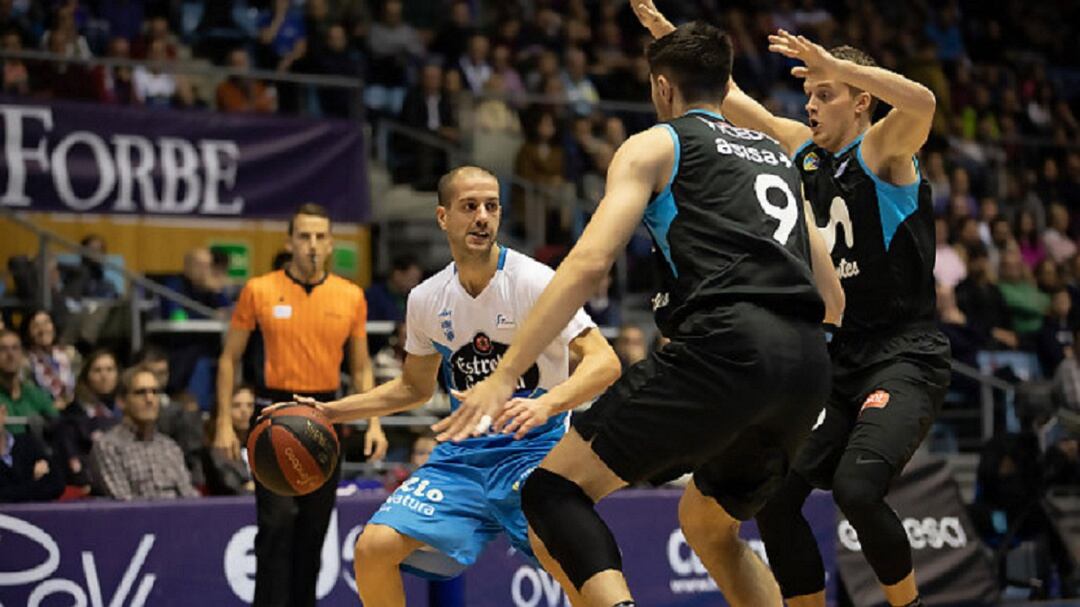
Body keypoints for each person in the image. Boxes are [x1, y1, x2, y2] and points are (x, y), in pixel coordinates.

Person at [444, 22, 843, 607]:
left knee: (552, 491)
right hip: (807, 366)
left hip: (724, 348)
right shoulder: (777, 157)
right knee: (709, 525)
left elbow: (588, 263)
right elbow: (833, 297)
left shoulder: (657, 143)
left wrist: (506, 374)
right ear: (726, 83)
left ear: (662, 88)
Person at [631, 4, 950, 606]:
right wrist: (667, 37)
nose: (810, 104)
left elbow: (924, 105)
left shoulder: (885, 151)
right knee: (775, 498)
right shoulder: (801, 149)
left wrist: (838, 63)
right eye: (810, 93)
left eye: (825, 93)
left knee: (858, 490)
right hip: (834, 361)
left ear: (860, 102)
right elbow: (724, 93)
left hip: (903, 355)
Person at [276, 166, 620, 606]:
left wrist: (546, 405)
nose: (482, 217)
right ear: (442, 218)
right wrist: (332, 412)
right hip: (464, 456)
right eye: (470, 206)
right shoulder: (425, 299)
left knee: (575, 572)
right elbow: (412, 389)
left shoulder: (534, 280)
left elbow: (604, 363)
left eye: (491, 207)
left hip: (537, 451)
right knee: (372, 548)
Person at [215, 202, 388, 607]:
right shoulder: (258, 289)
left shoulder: (350, 296)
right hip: (273, 417)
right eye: (304, 236)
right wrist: (224, 420)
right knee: (275, 525)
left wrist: (374, 422)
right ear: (290, 241)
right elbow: (228, 358)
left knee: (314, 531)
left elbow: (361, 369)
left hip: (325, 417)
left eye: (320, 237)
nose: (312, 244)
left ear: (331, 244)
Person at [89, 365, 199, 500]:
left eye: (155, 392)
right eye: (141, 392)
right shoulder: (108, 447)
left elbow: (190, 499)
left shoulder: (170, 447)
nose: (149, 399)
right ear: (121, 401)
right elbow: (123, 504)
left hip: (178, 518)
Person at [53, 349, 120, 491]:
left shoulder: (124, 411)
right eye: (97, 370)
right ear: (86, 377)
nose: (104, 376)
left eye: (110, 369)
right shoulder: (70, 418)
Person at [0, 401, 64, 503]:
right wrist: (33, 478)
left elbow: (57, 484)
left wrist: (19, 489)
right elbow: (3, 495)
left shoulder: (28, 443)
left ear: (3, 412)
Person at [0, 329, 57, 436]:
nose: (10, 354)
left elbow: (57, 424)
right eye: (3, 349)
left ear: (22, 354)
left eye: (15, 348)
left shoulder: (35, 394)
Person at [203, 385, 255, 496]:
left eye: (250, 405)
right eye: (236, 406)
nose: (244, 411)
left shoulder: (264, 446)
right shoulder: (217, 451)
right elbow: (232, 488)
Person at [21, 309, 77, 408]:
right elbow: (27, 395)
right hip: (44, 412)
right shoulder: (24, 362)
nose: (43, 330)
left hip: (74, 409)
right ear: (27, 332)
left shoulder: (71, 354)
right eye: (36, 326)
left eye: (47, 323)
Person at [366, 254, 423, 322]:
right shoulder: (373, 296)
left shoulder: (412, 298)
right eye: (411, 280)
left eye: (417, 280)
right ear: (397, 275)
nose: (415, 285)